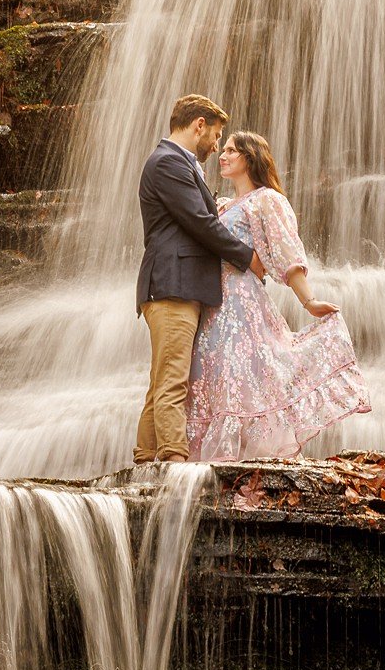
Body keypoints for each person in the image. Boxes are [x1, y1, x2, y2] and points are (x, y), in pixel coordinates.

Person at [187, 129, 371, 462]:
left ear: (250, 158)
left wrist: (308, 301)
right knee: (213, 376)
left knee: (241, 377)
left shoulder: (266, 200)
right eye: (223, 150)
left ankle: (247, 463)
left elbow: (287, 253)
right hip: (211, 304)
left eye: (231, 150)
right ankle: (214, 463)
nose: (223, 156)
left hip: (240, 303)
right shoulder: (227, 204)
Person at [135, 94, 262, 465]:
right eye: (217, 135)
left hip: (176, 283)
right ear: (199, 125)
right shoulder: (168, 163)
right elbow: (200, 223)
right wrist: (247, 257)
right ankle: (175, 462)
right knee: (174, 382)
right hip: (172, 284)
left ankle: (145, 459)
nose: (217, 145)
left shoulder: (174, 163)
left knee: (162, 381)